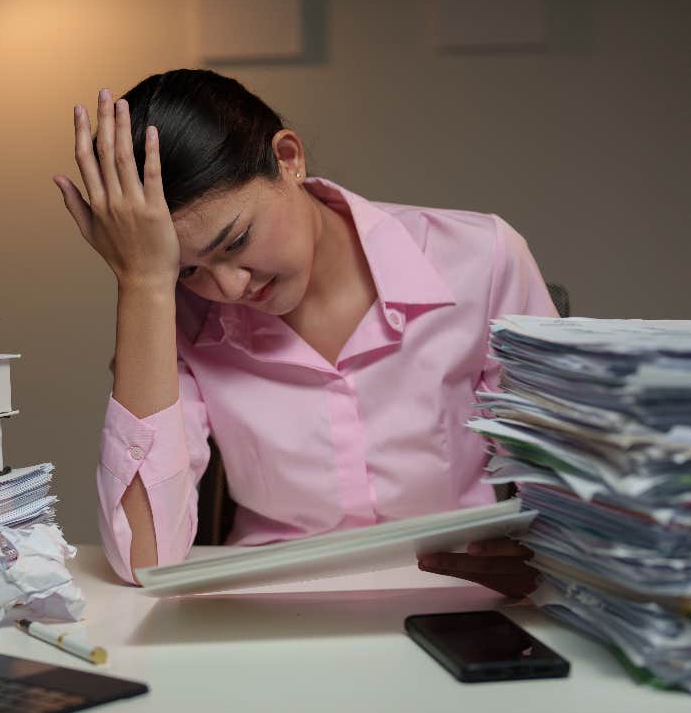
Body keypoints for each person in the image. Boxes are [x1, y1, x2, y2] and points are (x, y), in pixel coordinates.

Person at [53, 69, 557, 598]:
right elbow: (145, 561)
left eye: (236, 240)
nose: (227, 286)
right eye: (187, 270)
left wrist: (546, 557)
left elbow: (566, 482)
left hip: (460, 601)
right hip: (270, 613)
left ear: (288, 159)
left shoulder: (483, 258)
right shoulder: (175, 311)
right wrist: (143, 284)